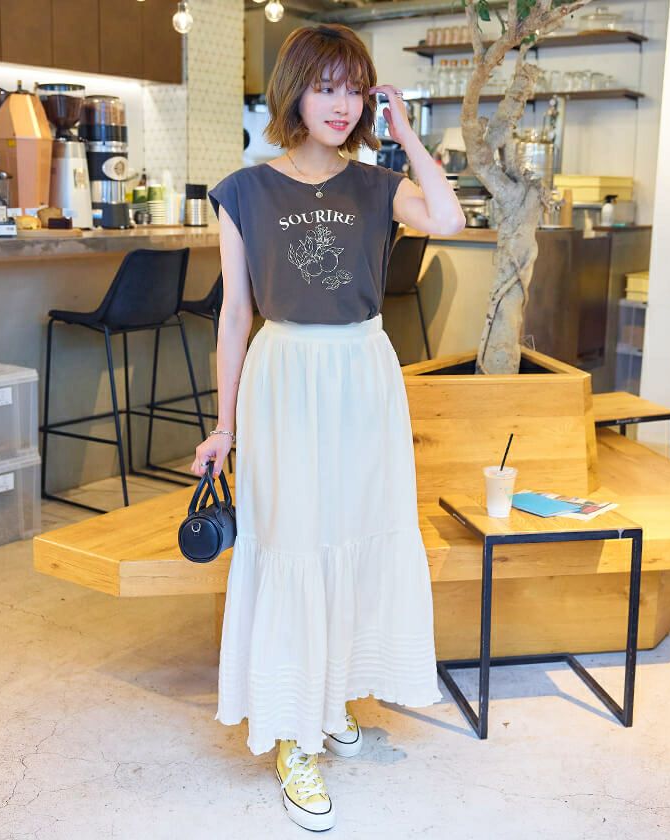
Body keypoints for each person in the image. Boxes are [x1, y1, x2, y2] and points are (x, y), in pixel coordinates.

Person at [191, 23, 465, 833]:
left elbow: (448, 218)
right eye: (326, 87)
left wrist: (405, 133)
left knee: (353, 532)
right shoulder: (243, 191)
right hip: (286, 377)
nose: (341, 105)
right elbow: (234, 317)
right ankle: (292, 735)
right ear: (295, 93)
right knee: (292, 541)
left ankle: (332, 700)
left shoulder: (380, 184)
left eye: (354, 89)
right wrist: (223, 426)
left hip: (363, 376)